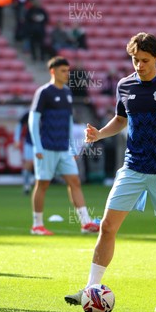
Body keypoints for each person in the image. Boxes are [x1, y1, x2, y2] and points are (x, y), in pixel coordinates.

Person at [64, 33, 156, 312]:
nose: (139, 65)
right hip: (133, 166)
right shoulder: (124, 85)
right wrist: (99, 134)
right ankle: (91, 288)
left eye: (145, 60)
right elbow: (120, 119)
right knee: (107, 225)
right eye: (135, 60)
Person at [28, 56, 99, 235]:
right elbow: (33, 120)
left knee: (74, 182)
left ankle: (85, 222)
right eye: (63, 71)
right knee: (42, 184)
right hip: (47, 147)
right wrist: (37, 146)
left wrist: (73, 147)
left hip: (64, 148)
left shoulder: (67, 92)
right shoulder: (44, 92)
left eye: (67, 71)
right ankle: (37, 225)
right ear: (53, 71)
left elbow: (68, 121)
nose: (67, 74)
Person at [13, 111, 34, 194]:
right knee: (28, 164)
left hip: (44, 143)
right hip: (30, 143)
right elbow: (19, 125)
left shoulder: (47, 112)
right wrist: (17, 139)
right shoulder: (29, 113)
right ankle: (26, 185)